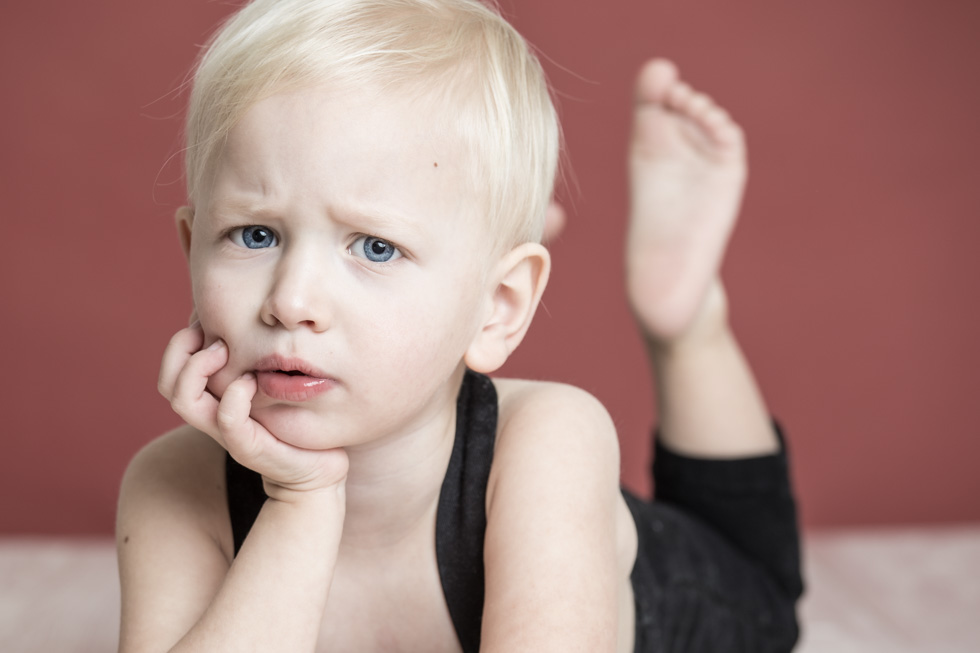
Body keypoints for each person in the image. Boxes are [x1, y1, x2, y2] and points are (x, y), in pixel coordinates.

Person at [116, 1, 802, 651]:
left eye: (374, 246)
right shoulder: (172, 484)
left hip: (701, 596)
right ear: (192, 249)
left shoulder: (548, 441)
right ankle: (465, 251)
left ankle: (684, 323)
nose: (291, 301)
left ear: (500, 310)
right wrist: (301, 501)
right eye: (255, 233)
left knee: (763, 588)